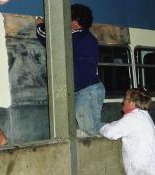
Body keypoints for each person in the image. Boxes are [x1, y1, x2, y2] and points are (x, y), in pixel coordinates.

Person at [36, 3, 105, 136]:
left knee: (88, 130)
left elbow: (48, 38)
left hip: (86, 91)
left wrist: (39, 24)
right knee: (95, 126)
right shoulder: (90, 38)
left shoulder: (75, 38)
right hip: (95, 88)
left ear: (75, 22)